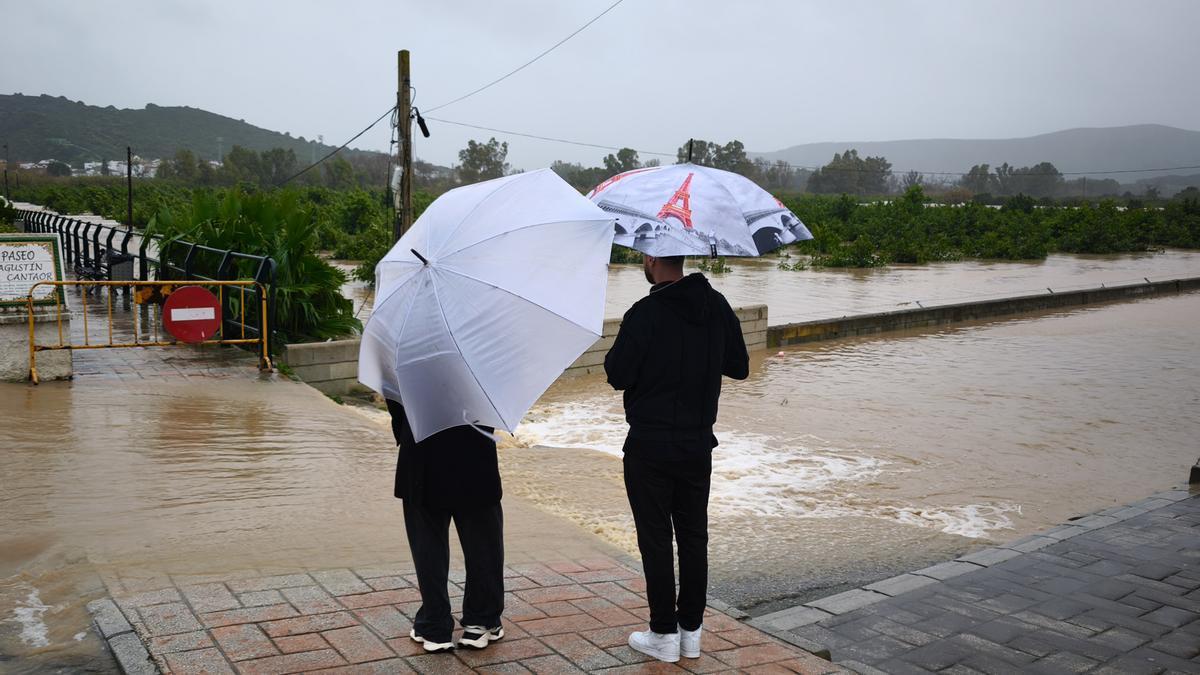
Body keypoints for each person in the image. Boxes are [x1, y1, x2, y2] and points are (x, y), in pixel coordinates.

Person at [604, 254, 749, 663]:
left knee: (655, 540)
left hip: (649, 447)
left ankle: (663, 634)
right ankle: (691, 634)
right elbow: (739, 367)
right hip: (698, 445)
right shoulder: (717, 306)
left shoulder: (644, 313)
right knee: (693, 537)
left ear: (651, 258)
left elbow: (617, 374)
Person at [385, 399, 505, 653]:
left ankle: (435, 626)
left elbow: (394, 399)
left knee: (427, 546)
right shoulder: (481, 359)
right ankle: (480, 622)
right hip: (473, 451)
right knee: (483, 543)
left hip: (420, 451)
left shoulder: (405, 358)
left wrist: (406, 431)